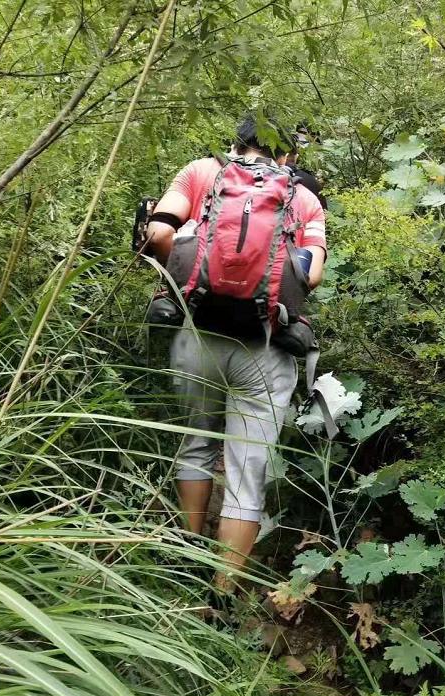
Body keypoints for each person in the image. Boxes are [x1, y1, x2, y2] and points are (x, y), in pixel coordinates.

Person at [147, 115, 327, 592]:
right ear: (287, 155)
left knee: (195, 445)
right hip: (263, 348)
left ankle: (187, 560)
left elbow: (159, 234)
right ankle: (222, 594)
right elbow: (311, 276)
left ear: (235, 143)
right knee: (247, 474)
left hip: (197, 338)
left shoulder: (201, 172)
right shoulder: (304, 196)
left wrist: (181, 281)